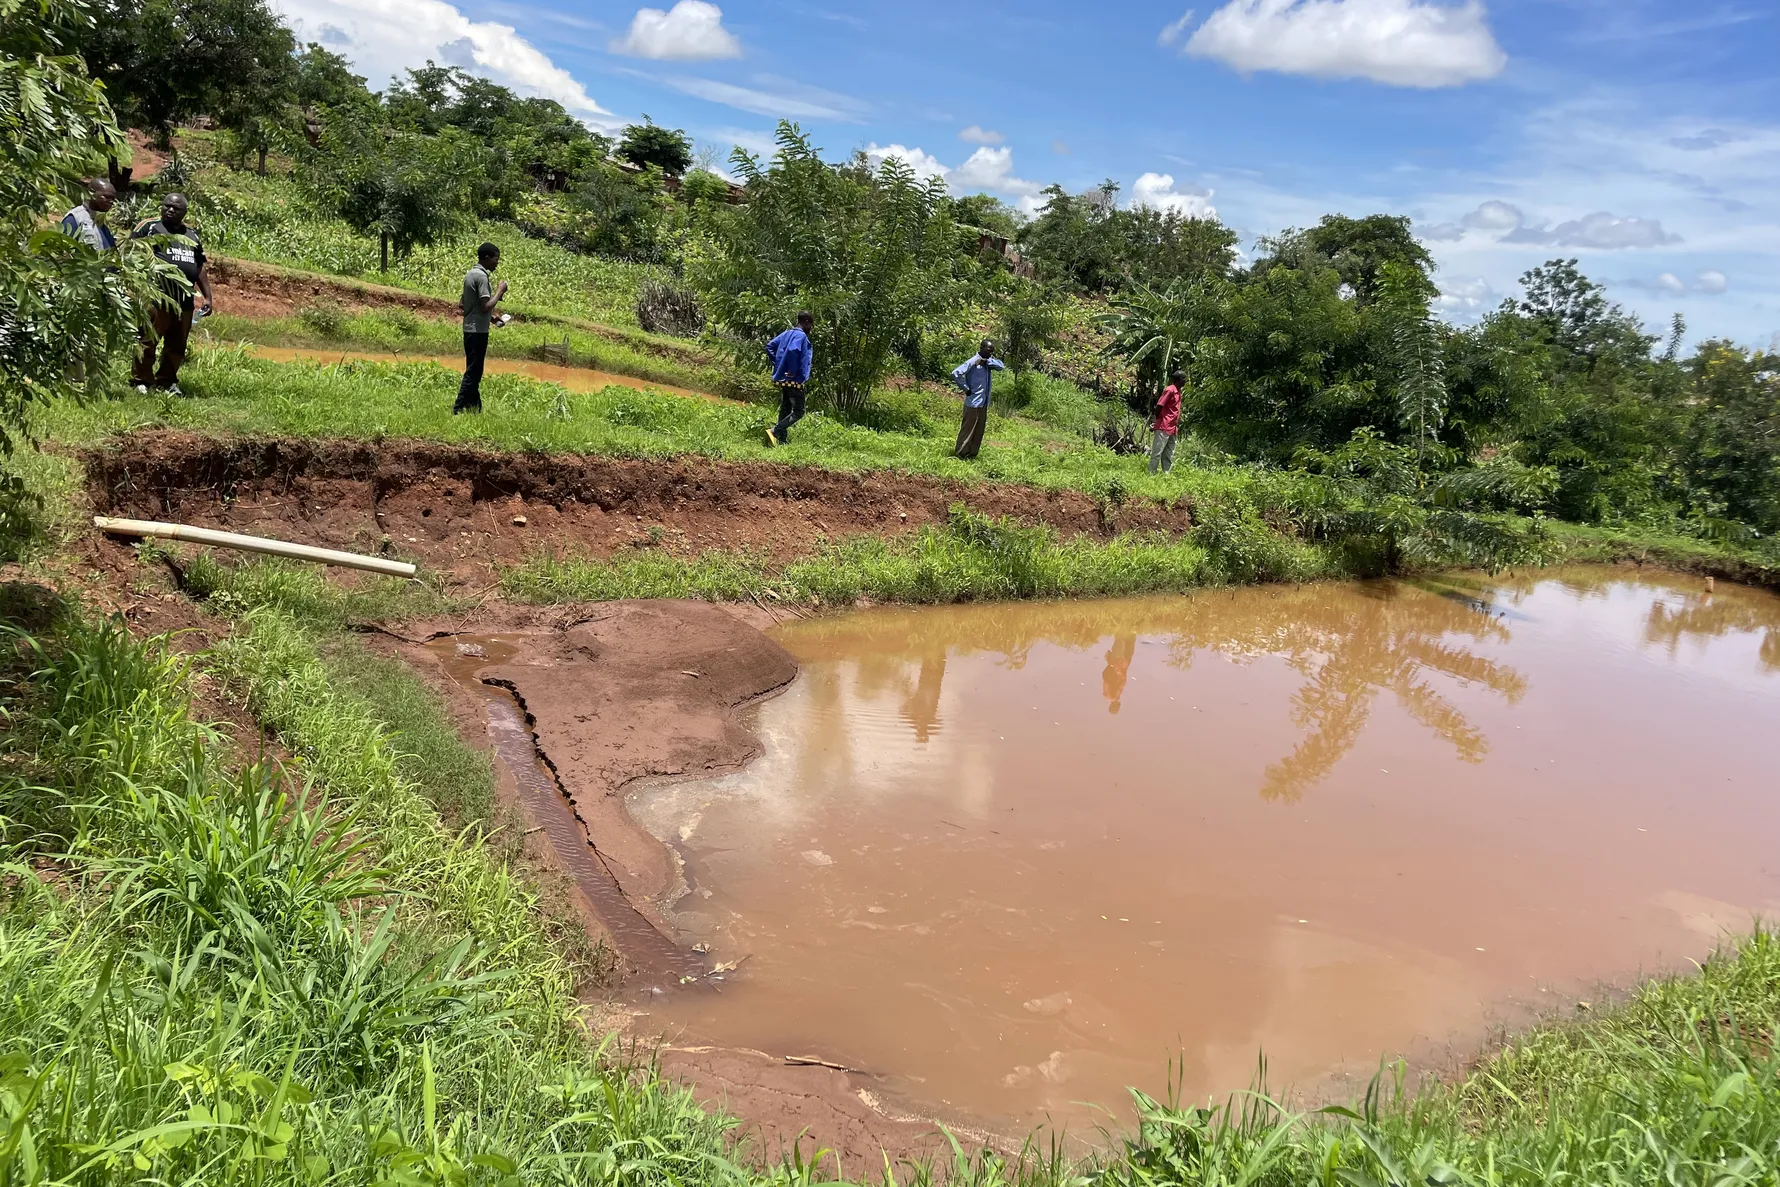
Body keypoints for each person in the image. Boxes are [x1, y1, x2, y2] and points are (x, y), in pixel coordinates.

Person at [131, 193, 211, 394]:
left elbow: (199, 266)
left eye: (176, 208)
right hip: (156, 297)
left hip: (184, 301)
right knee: (147, 340)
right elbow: (131, 252)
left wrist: (208, 296)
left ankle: (167, 382)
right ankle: (141, 380)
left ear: (185, 212)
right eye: (167, 206)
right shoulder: (149, 227)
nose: (171, 210)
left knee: (177, 344)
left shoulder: (191, 235)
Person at [455, 242, 507, 414]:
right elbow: (485, 306)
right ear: (487, 257)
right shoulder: (482, 277)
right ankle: (458, 408)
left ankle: (474, 408)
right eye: (496, 259)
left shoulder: (470, 274)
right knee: (473, 372)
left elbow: (463, 304)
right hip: (478, 331)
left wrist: (491, 318)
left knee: (474, 370)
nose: (497, 263)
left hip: (470, 329)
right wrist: (500, 291)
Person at [950, 339, 1005, 460]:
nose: (990, 353)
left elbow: (1001, 366)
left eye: (992, 351)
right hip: (973, 402)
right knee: (968, 429)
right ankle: (961, 453)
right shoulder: (973, 361)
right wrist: (966, 389)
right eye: (988, 350)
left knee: (979, 430)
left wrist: (988, 361)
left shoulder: (988, 362)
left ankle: (972, 454)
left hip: (983, 402)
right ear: (981, 348)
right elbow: (956, 373)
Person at [764, 311, 814, 445]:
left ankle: (780, 440)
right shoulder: (801, 336)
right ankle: (774, 431)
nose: (811, 328)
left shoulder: (787, 333)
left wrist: (780, 364)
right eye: (811, 325)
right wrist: (791, 370)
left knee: (785, 408)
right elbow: (793, 350)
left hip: (783, 380)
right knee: (798, 411)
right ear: (806, 322)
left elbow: (770, 346)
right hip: (794, 380)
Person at [60, 178, 117, 252]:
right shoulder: (74, 219)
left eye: (113, 198)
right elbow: (64, 252)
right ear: (91, 193)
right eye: (107, 197)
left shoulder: (102, 221)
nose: (111, 201)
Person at [1149, 370, 1184, 475]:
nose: (1185, 382)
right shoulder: (1170, 390)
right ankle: (1151, 473)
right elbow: (1159, 405)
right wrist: (1158, 419)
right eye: (1184, 379)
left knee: (1169, 453)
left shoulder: (1179, 392)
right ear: (1179, 380)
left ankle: (1166, 474)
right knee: (1157, 452)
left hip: (1173, 427)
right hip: (1164, 425)